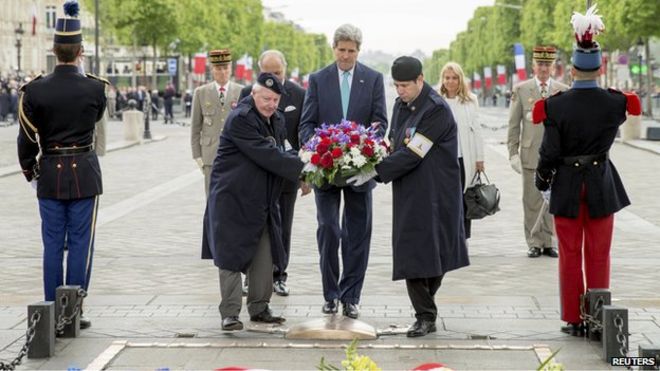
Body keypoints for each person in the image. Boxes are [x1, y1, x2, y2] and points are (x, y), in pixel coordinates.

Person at [533, 6, 639, 336]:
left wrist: (542, 177)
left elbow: (549, 151)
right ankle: (599, 318)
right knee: (599, 253)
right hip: (601, 183)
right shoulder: (617, 102)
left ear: (573, 69)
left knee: (568, 254)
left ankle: (574, 318)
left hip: (566, 184)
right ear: (600, 66)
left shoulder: (554, 104)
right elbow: (629, 112)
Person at [348, 56, 469, 337]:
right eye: (397, 85)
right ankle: (425, 315)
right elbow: (394, 140)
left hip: (437, 193)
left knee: (438, 253)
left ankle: (426, 312)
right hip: (410, 192)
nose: (400, 91)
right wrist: (367, 156)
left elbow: (416, 150)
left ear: (420, 80)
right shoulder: (401, 105)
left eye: (405, 85)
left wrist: (376, 172)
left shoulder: (436, 109)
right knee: (412, 252)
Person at [16, 2, 108, 329]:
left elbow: (26, 140)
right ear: (80, 52)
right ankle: (74, 312)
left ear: (54, 51)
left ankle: (52, 312)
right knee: (81, 243)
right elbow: (95, 119)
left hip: (50, 174)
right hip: (84, 171)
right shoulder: (95, 88)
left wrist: (31, 173)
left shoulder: (34, 91)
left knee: (53, 244)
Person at [201, 73, 305, 331]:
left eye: (275, 100)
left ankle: (260, 307)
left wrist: (304, 158)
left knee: (264, 254)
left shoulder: (277, 118)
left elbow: (283, 148)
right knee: (230, 256)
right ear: (254, 94)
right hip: (232, 199)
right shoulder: (241, 118)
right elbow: (268, 154)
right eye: (266, 98)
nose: (271, 104)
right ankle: (230, 313)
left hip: (261, 198)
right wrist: (305, 167)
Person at [299, 24, 387, 319]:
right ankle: (330, 295)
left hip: (359, 172)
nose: (346, 55)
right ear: (333, 48)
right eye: (341, 50)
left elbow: (381, 123)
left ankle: (351, 296)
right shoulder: (318, 79)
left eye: (351, 51)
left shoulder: (373, 79)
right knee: (329, 230)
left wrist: (365, 148)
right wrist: (316, 147)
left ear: (358, 51)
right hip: (325, 172)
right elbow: (306, 123)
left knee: (357, 235)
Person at [239, 50, 309, 297]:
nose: (273, 78)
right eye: (267, 73)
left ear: (286, 70)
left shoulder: (299, 95)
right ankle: (251, 276)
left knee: (283, 225)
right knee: (255, 225)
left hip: (287, 174)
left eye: (277, 73)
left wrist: (305, 174)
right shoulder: (247, 93)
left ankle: (279, 275)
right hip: (256, 175)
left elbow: (304, 136)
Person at [507, 46, 568, 258]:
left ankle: (549, 241)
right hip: (531, 154)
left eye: (547, 64)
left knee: (552, 201)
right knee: (532, 200)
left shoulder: (563, 90)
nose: (543, 68)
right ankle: (534, 241)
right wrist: (512, 152)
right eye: (540, 64)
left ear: (553, 67)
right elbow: (514, 125)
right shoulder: (522, 90)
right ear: (533, 66)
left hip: (556, 156)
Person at [439, 62, 485, 239]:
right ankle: (447, 236)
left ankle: (463, 237)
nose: (450, 81)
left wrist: (480, 159)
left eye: (454, 78)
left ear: (460, 79)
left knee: (465, 199)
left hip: (464, 157)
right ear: (442, 80)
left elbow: (477, 130)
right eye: (447, 78)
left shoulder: (471, 100)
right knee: (446, 199)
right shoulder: (437, 100)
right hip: (443, 159)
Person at [190, 49, 244, 196]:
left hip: (235, 153)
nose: (222, 72)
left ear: (231, 68)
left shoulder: (241, 92)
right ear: (212, 69)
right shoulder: (201, 92)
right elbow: (195, 127)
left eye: (225, 68)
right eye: (218, 68)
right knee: (212, 196)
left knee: (234, 196)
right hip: (210, 155)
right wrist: (197, 156)